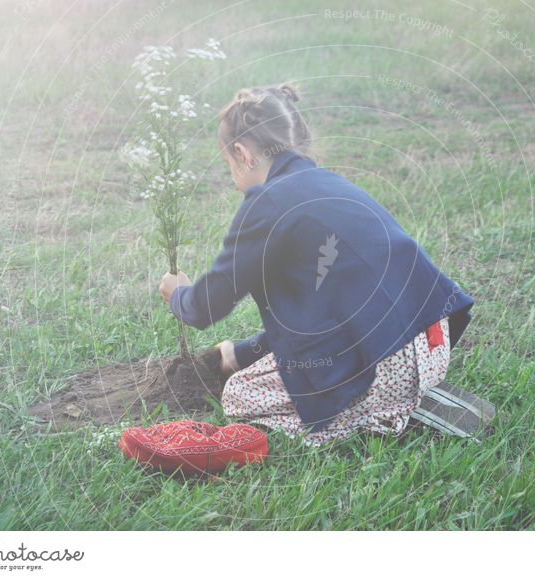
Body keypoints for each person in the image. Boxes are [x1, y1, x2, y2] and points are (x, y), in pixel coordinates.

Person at [158, 82, 478, 446]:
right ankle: (402, 396)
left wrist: (178, 294)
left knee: (240, 393)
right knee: (286, 364)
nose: (232, 176)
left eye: (228, 162)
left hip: (388, 363)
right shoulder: (330, 183)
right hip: (432, 344)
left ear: (243, 153)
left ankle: (382, 411)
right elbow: (323, 316)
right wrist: (239, 352)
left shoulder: (268, 202)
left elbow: (206, 306)